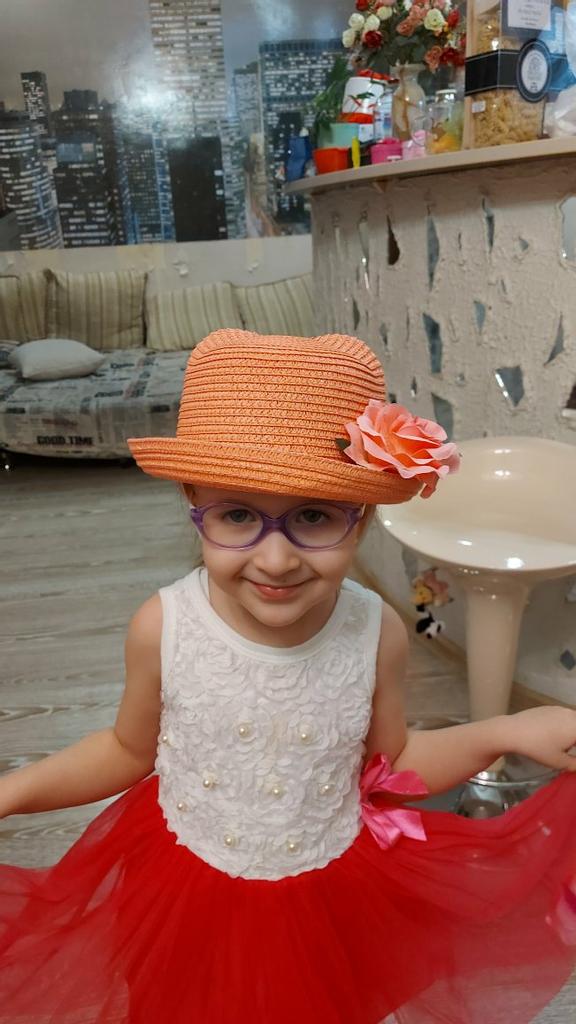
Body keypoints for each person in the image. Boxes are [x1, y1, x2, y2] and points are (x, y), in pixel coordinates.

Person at [1, 328, 576, 1024]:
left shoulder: (377, 632)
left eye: (314, 516)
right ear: (193, 501)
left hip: (325, 893)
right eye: (238, 514)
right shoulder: (164, 626)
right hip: (189, 888)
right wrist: (12, 791)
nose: (276, 560)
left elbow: (395, 760)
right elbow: (127, 749)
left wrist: (506, 731)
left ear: (361, 520)